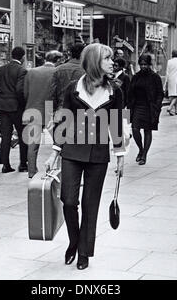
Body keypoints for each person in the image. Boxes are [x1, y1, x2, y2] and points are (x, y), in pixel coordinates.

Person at [45, 43, 126, 270]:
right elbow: (65, 121)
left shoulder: (115, 91)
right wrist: (54, 153)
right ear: (94, 62)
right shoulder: (74, 88)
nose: (112, 62)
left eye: (112, 59)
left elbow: (116, 123)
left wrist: (120, 155)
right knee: (68, 201)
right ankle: (74, 241)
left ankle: (84, 252)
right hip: (72, 150)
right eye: (107, 59)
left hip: (99, 154)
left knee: (91, 204)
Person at [23, 50, 62, 178]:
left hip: (33, 108)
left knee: (33, 144)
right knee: (59, 142)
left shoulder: (32, 72)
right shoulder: (57, 72)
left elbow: (25, 92)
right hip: (50, 110)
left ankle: (31, 171)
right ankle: (60, 168)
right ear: (57, 60)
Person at [0, 46, 28, 173]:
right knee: (23, 135)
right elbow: (20, 90)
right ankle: (23, 163)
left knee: (5, 136)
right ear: (22, 57)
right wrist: (22, 103)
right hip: (17, 107)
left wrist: (0, 100)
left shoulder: (1, 70)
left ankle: (5, 164)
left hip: (3, 107)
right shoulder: (22, 70)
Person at [128, 54, 164, 165]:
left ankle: (144, 155)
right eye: (141, 64)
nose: (143, 66)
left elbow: (160, 93)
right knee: (135, 129)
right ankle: (140, 149)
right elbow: (130, 92)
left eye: (145, 64)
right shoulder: (136, 77)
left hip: (149, 107)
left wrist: (157, 106)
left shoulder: (155, 77)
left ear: (149, 65)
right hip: (137, 106)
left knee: (147, 130)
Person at [50, 43, 85, 115]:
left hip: (61, 109)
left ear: (71, 54)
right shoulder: (87, 70)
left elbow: (52, 93)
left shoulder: (58, 69)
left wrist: (52, 112)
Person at [164, 50, 177, 115]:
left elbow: (167, 72)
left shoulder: (169, 61)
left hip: (171, 79)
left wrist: (166, 81)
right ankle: (170, 107)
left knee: (172, 95)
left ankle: (176, 110)